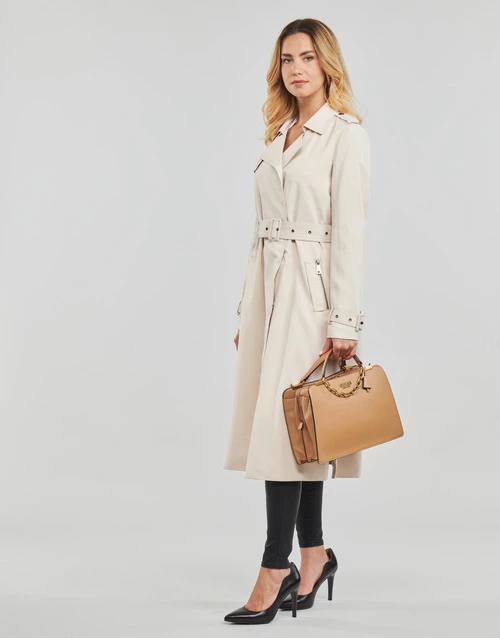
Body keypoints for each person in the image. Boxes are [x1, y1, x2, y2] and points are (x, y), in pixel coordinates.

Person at [223, 17, 370, 625]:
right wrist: (248, 309)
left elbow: (350, 234)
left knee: (284, 436)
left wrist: (345, 320)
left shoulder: (345, 136)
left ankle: (273, 567)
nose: (296, 69)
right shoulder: (278, 134)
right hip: (271, 297)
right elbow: (260, 234)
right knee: (301, 432)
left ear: (326, 64)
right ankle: (314, 555)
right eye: (287, 59)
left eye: (307, 57)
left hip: (313, 302)